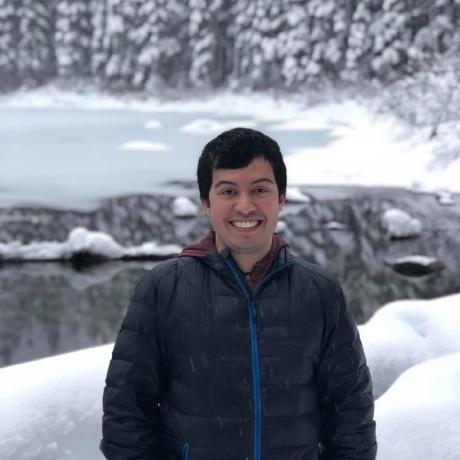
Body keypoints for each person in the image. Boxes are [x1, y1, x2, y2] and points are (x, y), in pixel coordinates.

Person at [100, 127, 377, 460]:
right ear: (206, 202)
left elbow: (351, 411)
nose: (245, 206)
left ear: (281, 198)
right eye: (228, 191)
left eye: (259, 189)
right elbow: (127, 410)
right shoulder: (164, 288)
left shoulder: (319, 292)